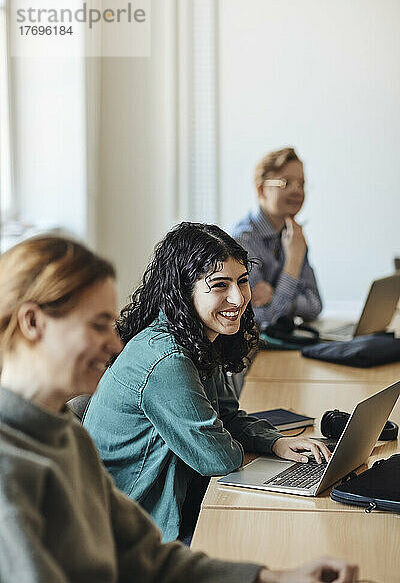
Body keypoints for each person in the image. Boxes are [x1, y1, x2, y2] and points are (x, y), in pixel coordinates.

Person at [0, 235, 358, 583]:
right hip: (168, 516)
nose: (113, 343)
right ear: (32, 323)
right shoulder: (11, 467)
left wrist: (274, 577)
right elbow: (216, 459)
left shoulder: (65, 435)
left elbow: (144, 555)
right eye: (97, 325)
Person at [84, 222, 330, 544]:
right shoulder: (166, 360)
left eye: (243, 281)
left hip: (175, 501)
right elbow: (218, 457)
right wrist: (235, 443)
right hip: (136, 530)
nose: (238, 297)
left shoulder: (197, 340)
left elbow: (226, 416)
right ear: (184, 291)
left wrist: (275, 442)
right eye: (219, 285)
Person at [231, 147, 322, 329]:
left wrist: (276, 296)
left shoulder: (293, 235)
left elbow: (315, 305)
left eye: (301, 184)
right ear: (261, 190)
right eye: (285, 183)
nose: (297, 191)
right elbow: (265, 318)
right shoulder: (241, 241)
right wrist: (293, 263)